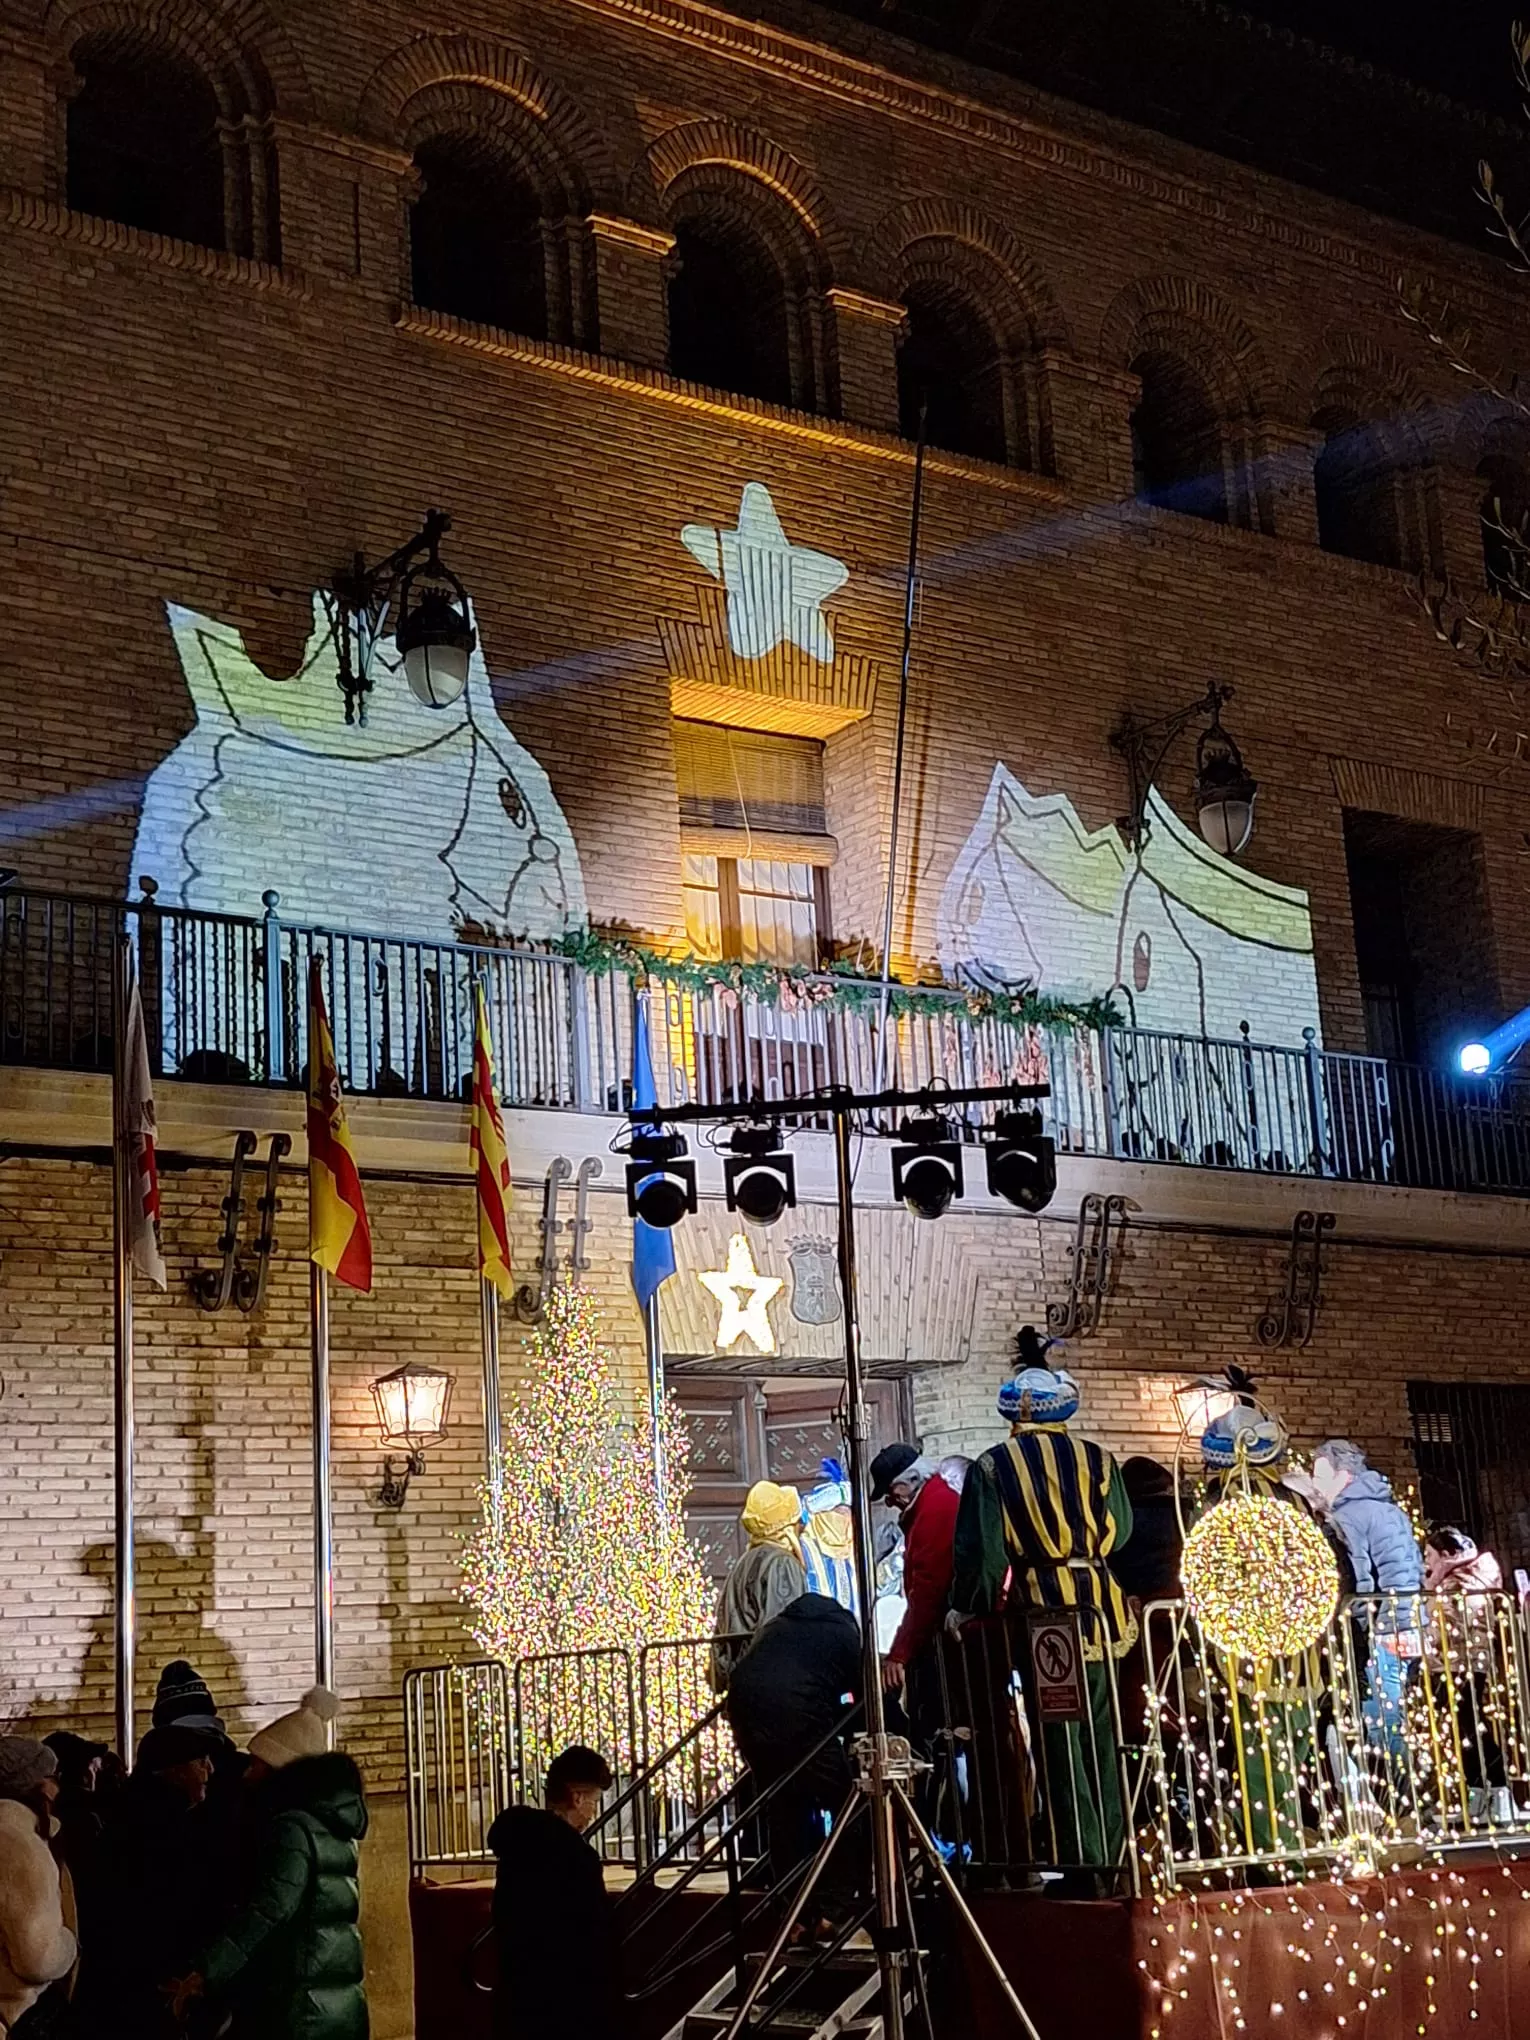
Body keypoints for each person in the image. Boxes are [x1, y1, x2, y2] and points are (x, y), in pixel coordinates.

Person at [950, 1329, 1135, 1884]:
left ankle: (1083, 1864)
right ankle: (1115, 1854)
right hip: (1104, 1612)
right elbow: (1121, 1532)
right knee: (1104, 1735)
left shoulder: (991, 1466)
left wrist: (969, 1607)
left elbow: (982, 1557)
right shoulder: (1099, 1459)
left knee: (1060, 1740)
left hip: (1045, 1619)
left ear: (1014, 1416)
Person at [168, 1687, 367, 2040]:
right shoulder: (334, 1826)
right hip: (333, 2005)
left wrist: (207, 1972)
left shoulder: (291, 1829)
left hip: (299, 2007)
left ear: (280, 1772)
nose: (247, 1774)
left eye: (258, 1765)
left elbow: (268, 1910)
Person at [74, 1724, 222, 2038]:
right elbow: (172, 1913)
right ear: (176, 1771)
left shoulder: (131, 1818)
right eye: (200, 1761)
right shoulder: (167, 1831)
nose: (210, 1769)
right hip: (154, 1990)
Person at [725, 1595, 863, 1929]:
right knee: (851, 1805)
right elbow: (864, 1694)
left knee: (784, 1806)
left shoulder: (775, 1628)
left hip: (746, 1712)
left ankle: (794, 1914)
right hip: (799, 1717)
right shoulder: (845, 1633)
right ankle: (835, 1908)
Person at [487, 1745, 623, 2040]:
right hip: (567, 2003)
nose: (594, 1811)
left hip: (518, 1995)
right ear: (577, 1797)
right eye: (594, 1801)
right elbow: (593, 1934)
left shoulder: (517, 1844)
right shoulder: (577, 1858)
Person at [1312, 1440, 1423, 1781]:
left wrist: (1361, 1622)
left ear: (1342, 1475)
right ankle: (1406, 1794)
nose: (1316, 1482)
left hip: (1379, 1628)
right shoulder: (1388, 1509)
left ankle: (1400, 1799)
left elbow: (1359, 1573)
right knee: (1395, 1713)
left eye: (1320, 1473)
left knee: (1381, 1718)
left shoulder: (1350, 1515)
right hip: (1406, 1621)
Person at [870, 1446, 959, 1708]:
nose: (889, 1502)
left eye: (890, 1492)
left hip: (947, 1640)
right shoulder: (928, 1506)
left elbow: (928, 1591)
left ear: (910, 1481)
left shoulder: (935, 1510)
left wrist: (899, 1654)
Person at [0, 1739, 77, 2038]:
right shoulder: (18, 1846)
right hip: (12, 2019)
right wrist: (69, 1943)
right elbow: (38, 1958)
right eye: (54, 1777)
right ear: (41, 1786)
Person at [710, 1482, 806, 1693]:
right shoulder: (781, 1563)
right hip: (771, 1686)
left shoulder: (745, 1562)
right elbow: (782, 1630)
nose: (802, 1525)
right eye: (797, 1520)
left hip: (744, 1681)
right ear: (785, 1527)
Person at [799, 1464, 859, 1616]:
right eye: (838, 1513)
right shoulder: (803, 1547)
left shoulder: (855, 1543)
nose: (844, 1521)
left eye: (848, 1514)